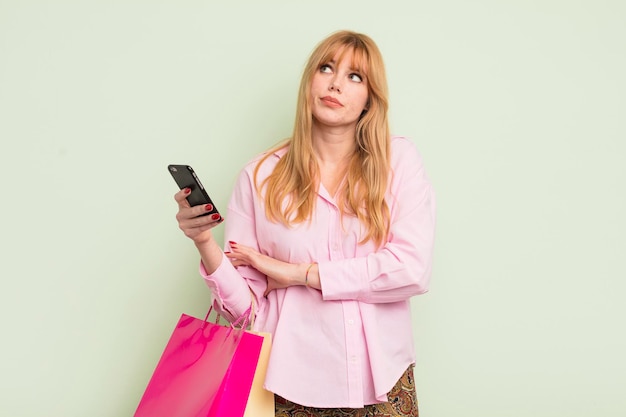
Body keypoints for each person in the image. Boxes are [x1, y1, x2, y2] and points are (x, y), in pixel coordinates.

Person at [174, 30, 436, 417]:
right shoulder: (259, 177)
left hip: (383, 382)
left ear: (369, 98)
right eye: (326, 68)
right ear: (309, 81)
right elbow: (245, 311)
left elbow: (411, 270)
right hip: (289, 386)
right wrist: (204, 243)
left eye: (354, 77)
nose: (335, 83)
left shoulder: (398, 160)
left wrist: (300, 274)